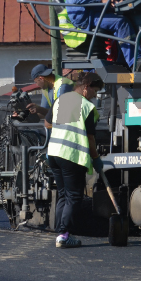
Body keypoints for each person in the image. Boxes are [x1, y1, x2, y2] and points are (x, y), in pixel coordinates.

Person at [46, 72, 104, 248]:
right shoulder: (86, 107)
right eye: (95, 91)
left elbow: (48, 124)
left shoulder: (61, 100)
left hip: (54, 154)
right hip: (71, 156)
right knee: (74, 196)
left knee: (63, 194)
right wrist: (96, 158)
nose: (95, 95)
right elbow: (91, 138)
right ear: (86, 87)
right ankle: (64, 236)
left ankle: (60, 233)